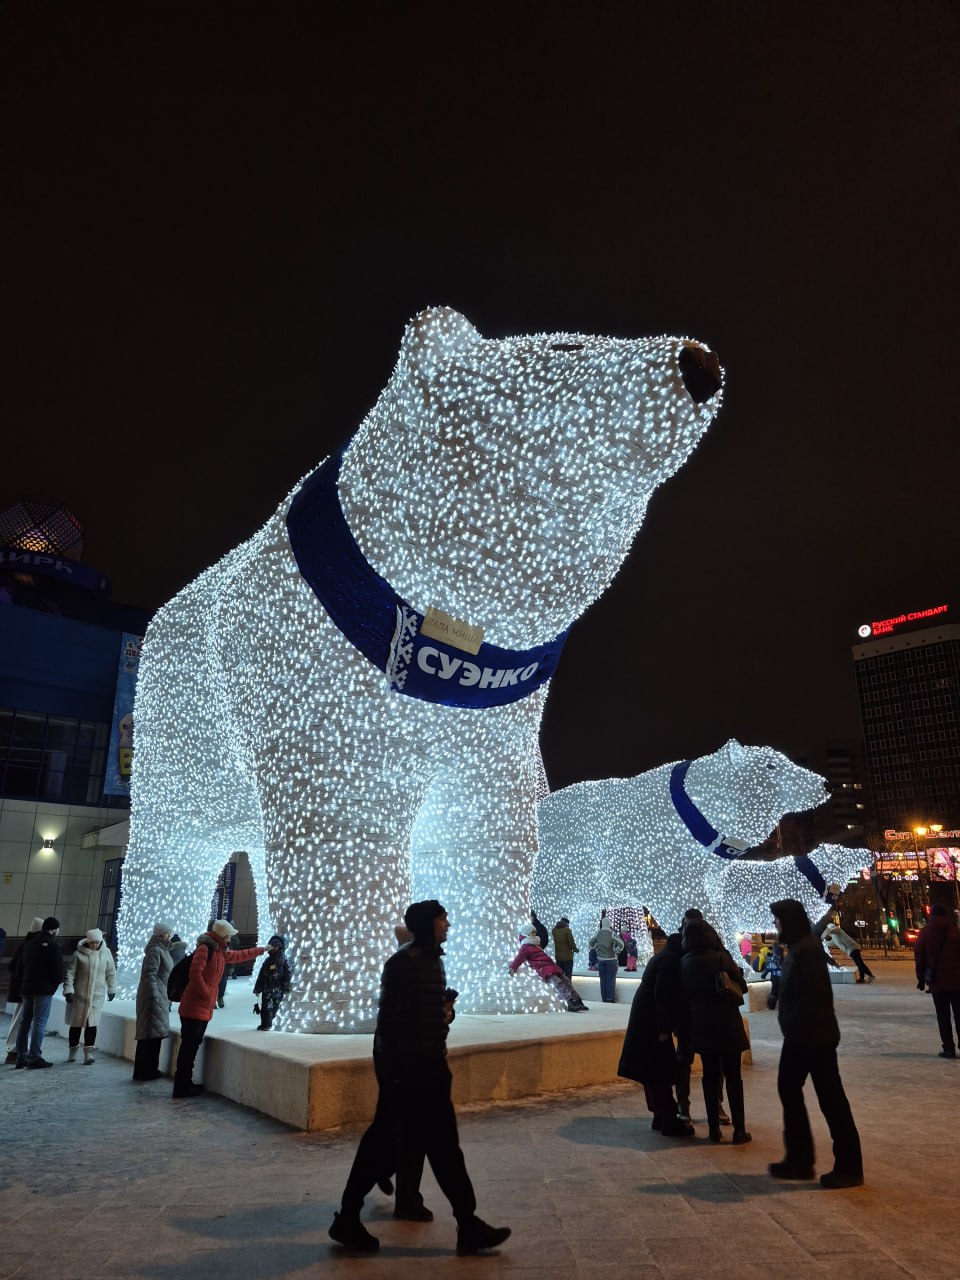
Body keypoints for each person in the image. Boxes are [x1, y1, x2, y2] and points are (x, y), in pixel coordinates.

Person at [330, 899, 511, 1256]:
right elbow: (391, 1026)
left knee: (434, 1150)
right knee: (393, 1151)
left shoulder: (431, 963)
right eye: (443, 918)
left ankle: (466, 1223)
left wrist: (442, 1015)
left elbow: (422, 1022)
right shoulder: (403, 964)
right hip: (411, 1076)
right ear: (428, 924)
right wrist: (395, 1078)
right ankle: (350, 1218)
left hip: (427, 1070)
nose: (448, 924)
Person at [768, 898, 864, 1188]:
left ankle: (848, 1167)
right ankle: (799, 1159)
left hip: (811, 1037)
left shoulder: (807, 950)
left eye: (778, 920)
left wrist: (799, 1030)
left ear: (790, 921)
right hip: (803, 1035)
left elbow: (814, 998)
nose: (775, 925)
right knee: (792, 1089)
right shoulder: (800, 948)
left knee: (831, 1098)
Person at [172, 919, 265, 1098]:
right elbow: (195, 974)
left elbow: (240, 956)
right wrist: (207, 993)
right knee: (188, 1048)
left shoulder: (219, 951)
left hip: (202, 1008)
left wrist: (262, 950)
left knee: (192, 1046)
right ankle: (181, 1086)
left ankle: (185, 1083)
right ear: (222, 935)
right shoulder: (205, 949)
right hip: (194, 1006)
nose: (230, 938)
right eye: (229, 934)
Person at [679, 917, 750, 1144]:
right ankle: (739, 1130)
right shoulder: (722, 957)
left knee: (709, 1077)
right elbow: (743, 986)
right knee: (733, 1078)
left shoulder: (685, 962)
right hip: (728, 1024)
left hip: (703, 1026)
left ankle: (713, 1130)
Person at [618, 933, 693, 1136]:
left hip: (646, 1019)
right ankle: (668, 1119)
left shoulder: (664, 956)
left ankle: (660, 1115)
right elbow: (662, 995)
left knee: (652, 1071)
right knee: (659, 1071)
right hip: (652, 1023)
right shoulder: (670, 960)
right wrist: (664, 1028)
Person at [15, 917, 64, 1069]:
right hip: (43, 990)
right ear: (55, 929)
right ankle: (34, 1056)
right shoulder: (54, 945)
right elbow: (57, 970)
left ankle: (20, 1056)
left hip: (27, 988)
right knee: (39, 1022)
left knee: (25, 1022)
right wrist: (53, 986)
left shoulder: (29, 944)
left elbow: (19, 969)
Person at [63, 928, 117, 1064]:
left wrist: (112, 989)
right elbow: (70, 973)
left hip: (96, 996)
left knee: (91, 1025)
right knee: (75, 1025)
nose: (95, 945)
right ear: (88, 941)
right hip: (80, 996)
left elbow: (111, 972)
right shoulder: (78, 954)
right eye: (92, 942)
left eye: (97, 942)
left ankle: (88, 1054)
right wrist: (69, 990)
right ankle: (72, 1051)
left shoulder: (106, 953)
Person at [914, 902, 960, 1058]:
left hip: (938, 981)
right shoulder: (955, 931)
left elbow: (920, 956)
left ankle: (948, 1048)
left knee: (943, 1016)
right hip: (958, 982)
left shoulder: (926, 932)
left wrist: (921, 977)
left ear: (931, 915)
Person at [508, 924, 588, 1011]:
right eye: (532, 933)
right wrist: (513, 968)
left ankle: (578, 1001)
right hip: (544, 969)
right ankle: (570, 1002)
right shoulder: (525, 947)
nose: (534, 934)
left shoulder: (536, 944)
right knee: (558, 983)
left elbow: (545, 957)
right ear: (526, 934)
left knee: (567, 981)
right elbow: (519, 959)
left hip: (551, 966)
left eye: (535, 932)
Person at [133, 922, 174, 1080]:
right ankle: (145, 1070)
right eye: (165, 933)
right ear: (158, 934)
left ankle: (149, 1068)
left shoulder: (163, 949)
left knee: (154, 1034)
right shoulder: (156, 950)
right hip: (153, 997)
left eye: (169, 933)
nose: (168, 936)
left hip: (159, 994)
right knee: (149, 1035)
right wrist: (154, 995)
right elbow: (150, 973)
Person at [5, 917, 43, 1064]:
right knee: (20, 1019)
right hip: (23, 990)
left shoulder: (25, 944)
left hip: (21, 989)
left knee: (20, 1019)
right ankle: (13, 1049)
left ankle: (15, 1049)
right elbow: (15, 967)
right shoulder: (29, 946)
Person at [253, 934, 292, 1029]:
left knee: (274, 1007)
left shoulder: (283, 960)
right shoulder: (268, 961)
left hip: (277, 989)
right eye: (271, 947)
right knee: (266, 1008)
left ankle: (269, 1024)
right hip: (268, 989)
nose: (271, 949)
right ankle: (266, 1024)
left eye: (274, 947)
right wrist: (258, 988)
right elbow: (261, 976)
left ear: (279, 947)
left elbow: (287, 975)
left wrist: (285, 987)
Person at [588, 914, 624, 1003]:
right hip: (611, 960)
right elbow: (622, 944)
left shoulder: (598, 934)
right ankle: (610, 998)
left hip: (600, 960)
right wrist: (616, 950)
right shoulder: (611, 934)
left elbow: (590, 944)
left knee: (603, 979)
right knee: (610, 979)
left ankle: (604, 998)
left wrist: (596, 948)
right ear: (609, 924)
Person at [761, 942, 784, 1010]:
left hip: (774, 977)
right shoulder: (784, 959)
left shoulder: (772, 960)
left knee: (774, 991)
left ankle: (772, 1006)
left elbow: (767, 968)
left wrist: (763, 975)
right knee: (781, 992)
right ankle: (782, 1006)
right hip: (782, 978)